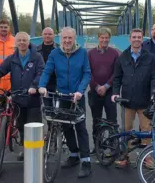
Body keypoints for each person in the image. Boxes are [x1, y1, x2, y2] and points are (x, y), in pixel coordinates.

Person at [38, 27, 92, 178]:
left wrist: (80, 91)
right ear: (60, 39)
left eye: (70, 38)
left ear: (75, 39)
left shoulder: (82, 53)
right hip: (62, 95)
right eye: (64, 38)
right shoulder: (55, 53)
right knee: (66, 126)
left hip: (77, 96)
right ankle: (74, 154)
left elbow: (87, 73)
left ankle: (86, 161)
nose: (67, 41)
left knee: (81, 128)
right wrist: (42, 86)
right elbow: (47, 71)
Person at [0, 32, 45, 161]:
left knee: (34, 126)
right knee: (21, 126)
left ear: (28, 42)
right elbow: (0, 70)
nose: (22, 43)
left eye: (24, 40)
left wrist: (34, 86)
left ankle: (37, 152)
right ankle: (25, 149)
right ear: (16, 43)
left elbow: (41, 72)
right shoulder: (12, 58)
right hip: (18, 97)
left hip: (32, 97)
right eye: (19, 40)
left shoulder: (37, 57)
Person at [111, 28, 155, 168]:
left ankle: (147, 158)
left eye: (139, 37)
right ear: (130, 39)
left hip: (145, 100)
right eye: (134, 37)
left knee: (146, 131)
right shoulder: (122, 57)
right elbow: (117, 78)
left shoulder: (150, 57)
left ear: (142, 39)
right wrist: (115, 93)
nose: (137, 39)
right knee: (126, 129)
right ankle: (125, 156)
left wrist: (154, 91)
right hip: (128, 100)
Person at [87, 27, 119, 154]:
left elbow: (116, 72)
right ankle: (97, 145)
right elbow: (88, 72)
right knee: (96, 120)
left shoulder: (114, 53)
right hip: (94, 92)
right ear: (98, 38)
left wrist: (106, 86)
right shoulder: (90, 53)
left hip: (109, 92)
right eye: (102, 37)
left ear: (109, 38)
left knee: (112, 120)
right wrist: (96, 87)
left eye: (107, 38)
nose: (104, 40)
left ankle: (113, 146)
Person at [36, 27, 59, 108]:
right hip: (44, 82)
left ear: (54, 36)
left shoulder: (60, 48)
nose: (47, 36)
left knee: (59, 107)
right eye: (45, 34)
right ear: (42, 35)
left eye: (50, 34)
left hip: (57, 82)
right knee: (48, 107)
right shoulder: (36, 50)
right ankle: (50, 121)